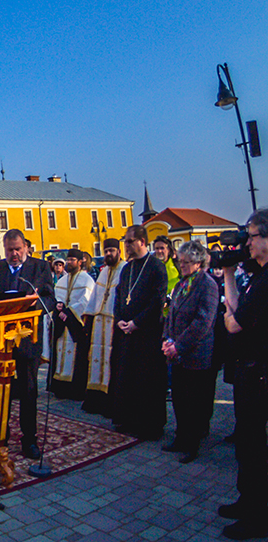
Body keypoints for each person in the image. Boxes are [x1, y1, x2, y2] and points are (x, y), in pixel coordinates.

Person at [0, 228, 56, 459]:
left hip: (28, 340)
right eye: (10, 250)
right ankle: (1, 436)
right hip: (3, 341)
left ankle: (29, 440)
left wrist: (35, 306)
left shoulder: (40, 268)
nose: (14, 254)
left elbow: (50, 299)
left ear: (26, 248)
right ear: (4, 249)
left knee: (29, 392)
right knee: (3, 391)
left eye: (18, 249)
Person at [218, 209, 268, 540]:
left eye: (251, 236)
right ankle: (246, 499)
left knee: (255, 446)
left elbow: (234, 322)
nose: (246, 242)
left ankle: (258, 516)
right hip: (248, 370)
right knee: (246, 443)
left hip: (261, 372)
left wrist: (229, 317)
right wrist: (229, 274)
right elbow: (235, 309)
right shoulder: (257, 275)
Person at [109, 225, 168, 440]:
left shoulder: (156, 267)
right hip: (126, 333)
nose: (126, 246)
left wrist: (136, 323)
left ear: (142, 242)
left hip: (147, 334)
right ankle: (128, 419)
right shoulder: (127, 268)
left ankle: (150, 425)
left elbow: (157, 301)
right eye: (125, 242)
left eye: (129, 242)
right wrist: (119, 319)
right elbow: (119, 296)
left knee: (147, 379)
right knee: (128, 377)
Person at [162, 241, 218, 464]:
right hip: (176, 354)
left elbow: (203, 322)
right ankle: (181, 437)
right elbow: (171, 315)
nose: (181, 265)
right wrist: (167, 339)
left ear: (198, 262)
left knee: (194, 401)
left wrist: (179, 345)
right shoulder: (182, 284)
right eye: (180, 261)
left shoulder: (208, 285)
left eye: (186, 262)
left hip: (195, 354)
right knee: (179, 399)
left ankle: (192, 443)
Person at [83, 238, 124, 416]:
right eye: (106, 251)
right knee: (97, 360)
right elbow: (95, 296)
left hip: (114, 322)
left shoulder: (124, 270)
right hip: (99, 323)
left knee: (111, 362)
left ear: (119, 252)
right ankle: (95, 401)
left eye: (112, 250)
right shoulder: (103, 271)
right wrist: (89, 315)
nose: (108, 254)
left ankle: (110, 402)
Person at [49, 249, 95, 400]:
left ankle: (74, 389)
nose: (69, 262)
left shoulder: (87, 280)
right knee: (60, 351)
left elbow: (86, 300)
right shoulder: (63, 279)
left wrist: (69, 313)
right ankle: (59, 387)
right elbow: (57, 297)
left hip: (75, 324)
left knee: (75, 355)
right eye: (68, 260)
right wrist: (58, 306)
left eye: (72, 260)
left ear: (80, 262)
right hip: (63, 324)